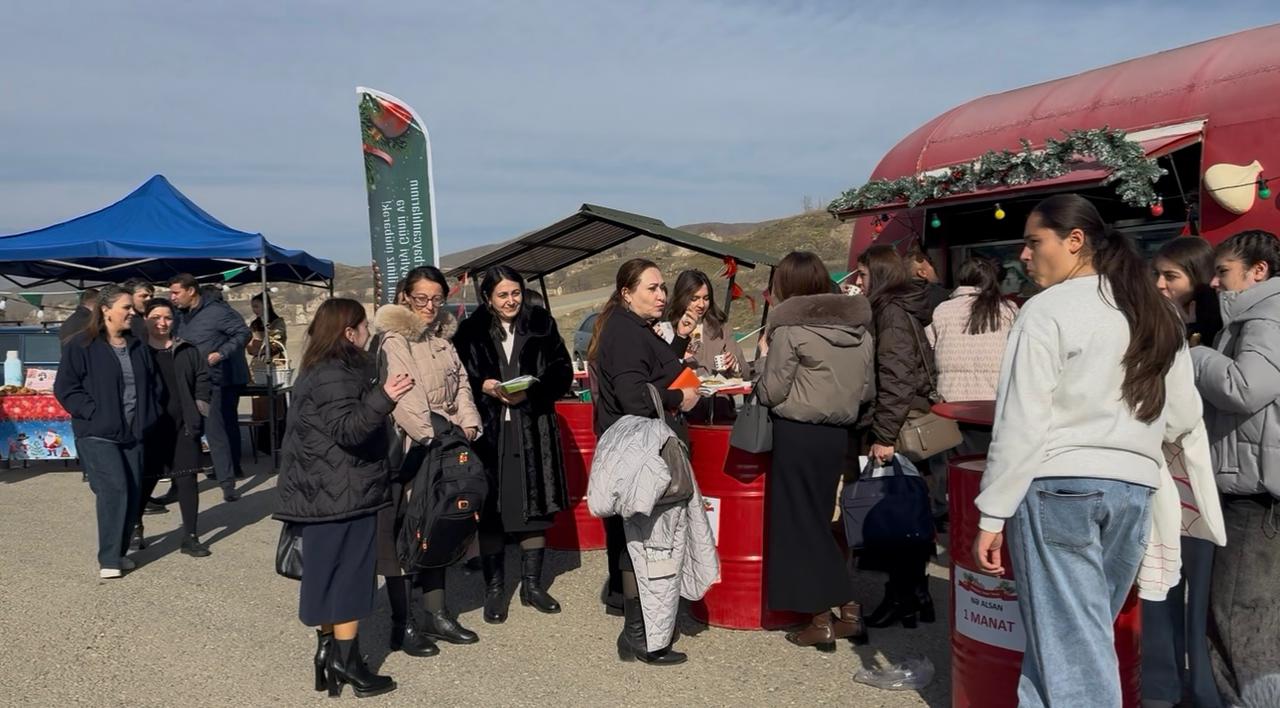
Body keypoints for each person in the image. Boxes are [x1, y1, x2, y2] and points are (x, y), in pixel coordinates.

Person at [973, 194, 1200, 706]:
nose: (1025, 256)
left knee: (1072, 648)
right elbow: (1183, 416)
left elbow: (1021, 420)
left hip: (1059, 485)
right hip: (1133, 489)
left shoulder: (1047, 309)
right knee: (1065, 642)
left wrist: (992, 513)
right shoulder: (1156, 308)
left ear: (1075, 241)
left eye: (1034, 242)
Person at [274, 298, 415, 699]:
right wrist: (385, 396)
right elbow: (350, 429)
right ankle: (348, 663)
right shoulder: (335, 373)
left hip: (325, 491)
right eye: (363, 327)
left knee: (325, 579)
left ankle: (326, 653)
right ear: (348, 331)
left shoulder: (318, 370)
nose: (368, 333)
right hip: (342, 492)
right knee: (349, 580)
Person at [754, 251, 874, 649]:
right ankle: (848, 612)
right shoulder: (860, 331)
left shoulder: (790, 331)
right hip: (837, 435)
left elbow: (772, 391)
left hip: (796, 432)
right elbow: (867, 391)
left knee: (798, 528)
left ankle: (822, 616)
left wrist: (760, 363)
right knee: (819, 523)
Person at [588, 257, 700, 665]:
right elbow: (636, 396)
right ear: (626, 292)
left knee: (641, 541)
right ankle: (641, 637)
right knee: (645, 544)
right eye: (651, 288)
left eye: (663, 287)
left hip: (637, 448)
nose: (661, 295)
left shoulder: (630, 327)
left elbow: (653, 369)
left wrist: (680, 347)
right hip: (640, 452)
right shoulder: (626, 332)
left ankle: (641, 632)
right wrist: (679, 398)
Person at [371, 266, 483, 656]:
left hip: (447, 443)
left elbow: (462, 384)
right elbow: (405, 396)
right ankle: (402, 624)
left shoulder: (443, 339)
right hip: (413, 449)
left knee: (440, 526)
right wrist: (432, 436)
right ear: (405, 296)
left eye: (437, 298)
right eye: (422, 298)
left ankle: (436, 613)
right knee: (405, 533)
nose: (430, 306)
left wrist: (469, 423)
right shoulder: (394, 339)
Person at [453, 266, 574, 623]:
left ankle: (533, 586)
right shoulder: (470, 332)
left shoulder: (541, 323)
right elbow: (460, 377)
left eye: (516, 293)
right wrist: (485, 386)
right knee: (491, 510)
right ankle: (494, 590)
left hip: (532, 425)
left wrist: (532, 391)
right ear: (488, 298)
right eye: (503, 295)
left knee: (532, 505)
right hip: (490, 432)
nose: (511, 301)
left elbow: (561, 370)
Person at [1190, 230, 1280, 706]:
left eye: (1223, 271)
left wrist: (1195, 353)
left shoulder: (1267, 316)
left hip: (1255, 498)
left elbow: (1245, 388)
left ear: (1258, 271)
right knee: (1249, 623)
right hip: (1255, 488)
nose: (1216, 282)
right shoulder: (1254, 318)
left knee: (1238, 625)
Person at [1141, 236, 1227, 708]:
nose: (1159, 284)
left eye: (1170, 276)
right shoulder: (1158, 324)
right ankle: (1164, 687)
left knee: (1203, 601)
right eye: (1156, 273)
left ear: (1198, 279)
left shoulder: (1222, 331)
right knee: (1164, 583)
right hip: (1172, 476)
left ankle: (1202, 689)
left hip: (1215, 476)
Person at [852, 244, 938, 629]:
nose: (858, 281)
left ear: (880, 276)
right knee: (910, 513)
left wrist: (883, 433)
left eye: (864, 275)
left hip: (898, 424)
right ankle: (915, 592)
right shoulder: (903, 309)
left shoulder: (889, 313)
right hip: (910, 416)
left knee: (895, 513)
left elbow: (897, 375)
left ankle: (903, 595)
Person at [53, 285, 159, 579]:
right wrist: (93, 412)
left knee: (134, 493)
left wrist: (150, 415)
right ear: (105, 310)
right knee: (115, 489)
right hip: (97, 433)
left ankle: (120, 552)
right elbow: (65, 388)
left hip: (134, 433)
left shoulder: (137, 346)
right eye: (125, 307)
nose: (131, 312)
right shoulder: (81, 345)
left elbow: (153, 385)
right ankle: (109, 558)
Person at [924, 256, 1019, 523]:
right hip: (995, 404)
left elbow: (928, 347)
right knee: (991, 466)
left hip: (952, 402)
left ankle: (955, 515)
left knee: (955, 468)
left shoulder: (943, 310)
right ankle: (990, 516)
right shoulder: (1009, 309)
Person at [133, 299, 212, 558]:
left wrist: (200, 406)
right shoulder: (138, 350)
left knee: (188, 479)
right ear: (146, 319)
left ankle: (190, 536)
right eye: (156, 317)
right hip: (150, 427)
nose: (162, 322)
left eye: (167, 317)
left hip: (184, 425)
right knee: (146, 479)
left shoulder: (186, 349)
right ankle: (136, 526)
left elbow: (203, 377)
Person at [168, 273, 251, 502]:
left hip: (208, 382)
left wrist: (222, 353)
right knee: (182, 436)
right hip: (182, 383)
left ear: (191, 291)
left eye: (176, 292)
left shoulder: (217, 312)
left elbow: (244, 333)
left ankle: (228, 484)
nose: (172, 297)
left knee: (216, 433)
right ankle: (178, 485)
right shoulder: (177, 316)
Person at [907, 243, 951, 312]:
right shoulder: (943, 297)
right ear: (922, 273)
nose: (935, 268)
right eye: (931, 264)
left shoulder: (898, 299)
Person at [247, 292, 287, 359]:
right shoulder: (254, 324)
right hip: (258, 361)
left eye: (256, 306)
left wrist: (258, 344)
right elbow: (250, 347)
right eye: (253, 307)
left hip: (276, 361)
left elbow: (276, 344)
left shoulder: (277, 322)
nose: (254, 310)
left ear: (267, 306)